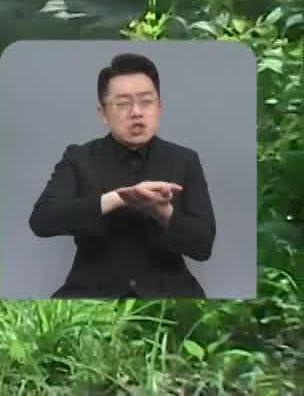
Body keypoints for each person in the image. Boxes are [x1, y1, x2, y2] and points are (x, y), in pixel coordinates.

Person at [26, 51, 216, 298]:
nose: (136, 112)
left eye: (146, 102)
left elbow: (203, 246)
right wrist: (117, 199)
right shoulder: (79, 158)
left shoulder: (184, 160)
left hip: (168, 290)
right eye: (123, 104)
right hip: (91, 292)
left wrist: (163, 213)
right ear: (103, 114)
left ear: (159, 107)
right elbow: (42, 220)